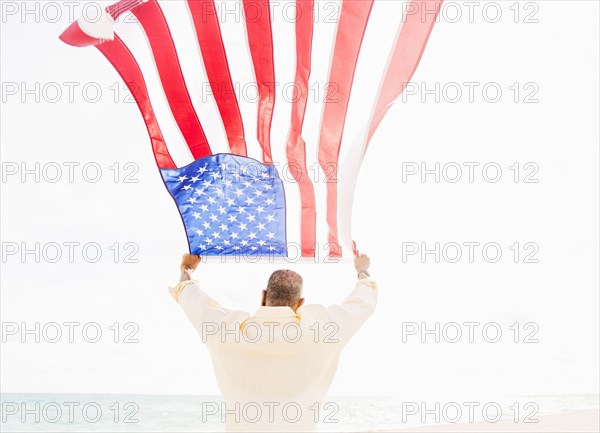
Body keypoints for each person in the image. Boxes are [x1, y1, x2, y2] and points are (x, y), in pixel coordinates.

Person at [169, 253, 377, 432]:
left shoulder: (226, 330)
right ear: (300, 303)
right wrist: (362, 270)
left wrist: (187, 268)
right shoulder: (323, 332)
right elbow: (363, 303)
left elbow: (189, 294)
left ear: (263, 296)